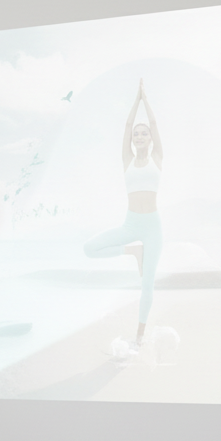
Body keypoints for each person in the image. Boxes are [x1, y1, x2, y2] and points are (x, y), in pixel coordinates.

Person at [83, 78, 165, 348]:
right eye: (136, 135)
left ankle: (139, 337)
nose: (139, 136)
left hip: (152, 227)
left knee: (147, 285)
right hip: (131, 224)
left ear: (150, 139)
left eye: (144, 134)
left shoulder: (157, 158)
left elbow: (154, 123)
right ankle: (133, 252)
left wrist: (146, 99)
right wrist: (135, 100)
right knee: (89, 248)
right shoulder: (127, 160)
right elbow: (127, 125)